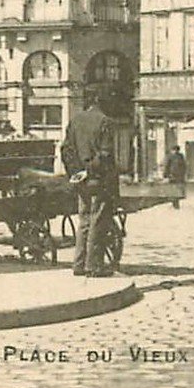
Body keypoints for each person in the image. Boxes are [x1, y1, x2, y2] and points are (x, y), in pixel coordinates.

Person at [61, 87, 124, 277]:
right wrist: (90, 170)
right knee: (98, 221)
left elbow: (66, 150)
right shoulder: (105, 122)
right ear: (102, 101)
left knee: (84, 222)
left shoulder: (75, 120)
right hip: (99, 180)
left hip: (81, 182)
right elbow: (105, 154)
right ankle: (94, 266)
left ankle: (78, 264)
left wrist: (76, 172)